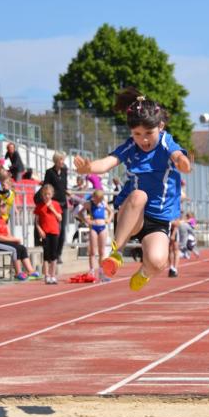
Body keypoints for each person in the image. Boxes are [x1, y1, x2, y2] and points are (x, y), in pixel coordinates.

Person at [74, 87, 192, 291]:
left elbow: (178, 156)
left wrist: (183, 163)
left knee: (158, 262)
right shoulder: (131, 147)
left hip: (158, 218)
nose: (143, 140)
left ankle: (144, 272)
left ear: (160, 126)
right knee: (139, 195)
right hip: (132, 214)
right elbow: (107, 163)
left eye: (148, 133)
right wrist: (89, 167)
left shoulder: (166, 143)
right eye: (137, 134)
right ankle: (116, 253)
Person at [0, 199, 40, 281]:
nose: (6, 207)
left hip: (1, 242)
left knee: (22, 248)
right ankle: (18, 273)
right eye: (3, 205)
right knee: (14, 249)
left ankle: (30, 271)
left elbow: (7, 235)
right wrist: (14, 240)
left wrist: (14, 239)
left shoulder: (2, 219)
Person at [82, 188, 113, 282]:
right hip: (94, 228)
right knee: (92, 251)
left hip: (102, 227)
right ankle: (92, 272)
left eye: (100, 199)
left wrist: (109, 220)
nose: (98, 200)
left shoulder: (103, 203)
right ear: (94, 197)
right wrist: (86, 220)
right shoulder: (89, 204)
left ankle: (101, 273)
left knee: (102, 252)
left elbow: (111, 212)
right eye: (97, 199)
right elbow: (79, 212)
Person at [42, 151, 68, 263]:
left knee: (63, 231)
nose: (63, 162)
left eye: (63, 159)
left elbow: (64, 186)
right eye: (61, 159)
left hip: (64, 204)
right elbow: (46, 187)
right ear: (56, 160)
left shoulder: (64, 171)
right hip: (54, 204)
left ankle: (58, 254)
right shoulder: (49, 172)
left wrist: (67, 192)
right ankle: (52, 255)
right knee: (55, 230)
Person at [34, 184, 62, 285]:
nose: (47, 196)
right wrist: (40, 230)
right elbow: (36, 221)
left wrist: (53, 209)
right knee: (46, 254)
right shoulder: (39, 206)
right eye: (45, 194)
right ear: (42, 194)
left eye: (49, 194)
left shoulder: (56, 204)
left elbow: (60, 218)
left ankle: (53, 275)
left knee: (54, 254)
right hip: (44, 232)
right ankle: (46, 275)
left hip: (54, 231)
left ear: (52, 194)